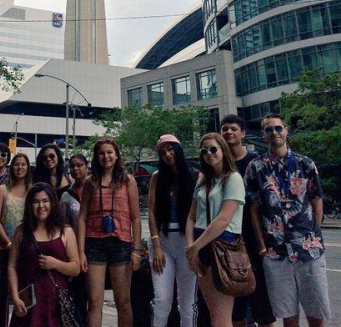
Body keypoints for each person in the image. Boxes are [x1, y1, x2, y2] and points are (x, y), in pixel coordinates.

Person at [245, 113, 331, 327]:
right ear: (263, 135)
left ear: (286, 131)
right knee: (288, 315)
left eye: (278, 128)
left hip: (308, 250)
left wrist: (314, 233)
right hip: (276, 252)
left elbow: (316, 200)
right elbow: (254, 209)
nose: (274, 133)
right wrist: (263, 247)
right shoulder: (255, 168)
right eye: (268, 130)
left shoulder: (306, 164)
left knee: (316, 312)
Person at [78, 138, 141, 327]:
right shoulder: (90, 182)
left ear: (116, 154)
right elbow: (82, 217)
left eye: (109, 152)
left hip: (121, 243)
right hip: (94, 244)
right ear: (96, 157)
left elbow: (136, 218)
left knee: (122, 301)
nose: (106, 156)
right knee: (95, 301)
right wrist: (81, 252)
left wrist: (136, 250)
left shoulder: (128, 181)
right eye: (101, 153)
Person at [220, 115, 276, 327]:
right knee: (236, 304)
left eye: (233, 128)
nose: (229, 132)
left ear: (243, 133)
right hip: (229, 240)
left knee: (262, 299)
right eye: (225, 129)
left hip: (255, 238)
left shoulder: (256, 162)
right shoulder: (219, 165)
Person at [185, 133, 245, 327]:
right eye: (204, 151)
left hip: (222, 247)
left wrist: (195, 247)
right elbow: (192, 217)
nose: (209, 154)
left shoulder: (233, 178)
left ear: (222, 150)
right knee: (213, 313)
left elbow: (224, 219)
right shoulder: (203, 180)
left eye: (213, 149)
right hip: (200, 245)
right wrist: (191, 247)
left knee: (221, 317)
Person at [8, 182, 80, 326]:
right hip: (28, 301)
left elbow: (76, 268)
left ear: (53, 203)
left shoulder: (65, 231)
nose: (41, 206)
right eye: (36, 202)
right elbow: (11, 267)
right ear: (29, 205)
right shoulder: (21, 231)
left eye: (45, 201)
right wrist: (15, 297)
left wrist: (56, 264)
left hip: (55, 302)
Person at [148, 134, 197, 327]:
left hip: (188, 242)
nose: (168, 155)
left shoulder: (195, 175)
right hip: (163, 242)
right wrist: (156, 245)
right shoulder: (157, 178)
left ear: (178, 149)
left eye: (170, 149)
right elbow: (151, 211)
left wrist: (195, 246)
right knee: (162, 300)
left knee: (187, 303)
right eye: (162, 152)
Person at [0, 152, 32, 327]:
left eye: (23, 164)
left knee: (24, 294)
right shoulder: (2, 190)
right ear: (11, 167)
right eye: (16, 164)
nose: (20, 167)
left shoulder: (33, 190)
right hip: (4, 248)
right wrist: (8, 242)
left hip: (27, 249)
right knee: (2, 295)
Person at [60, 153, 89, 319]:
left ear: (86, 166)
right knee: (78, 295)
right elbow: (63, 224)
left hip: (95, 247)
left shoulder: (97, 189)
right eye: (73, 166)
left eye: (80, 165)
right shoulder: (66, 196)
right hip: (75, 250)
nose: (76, 169)